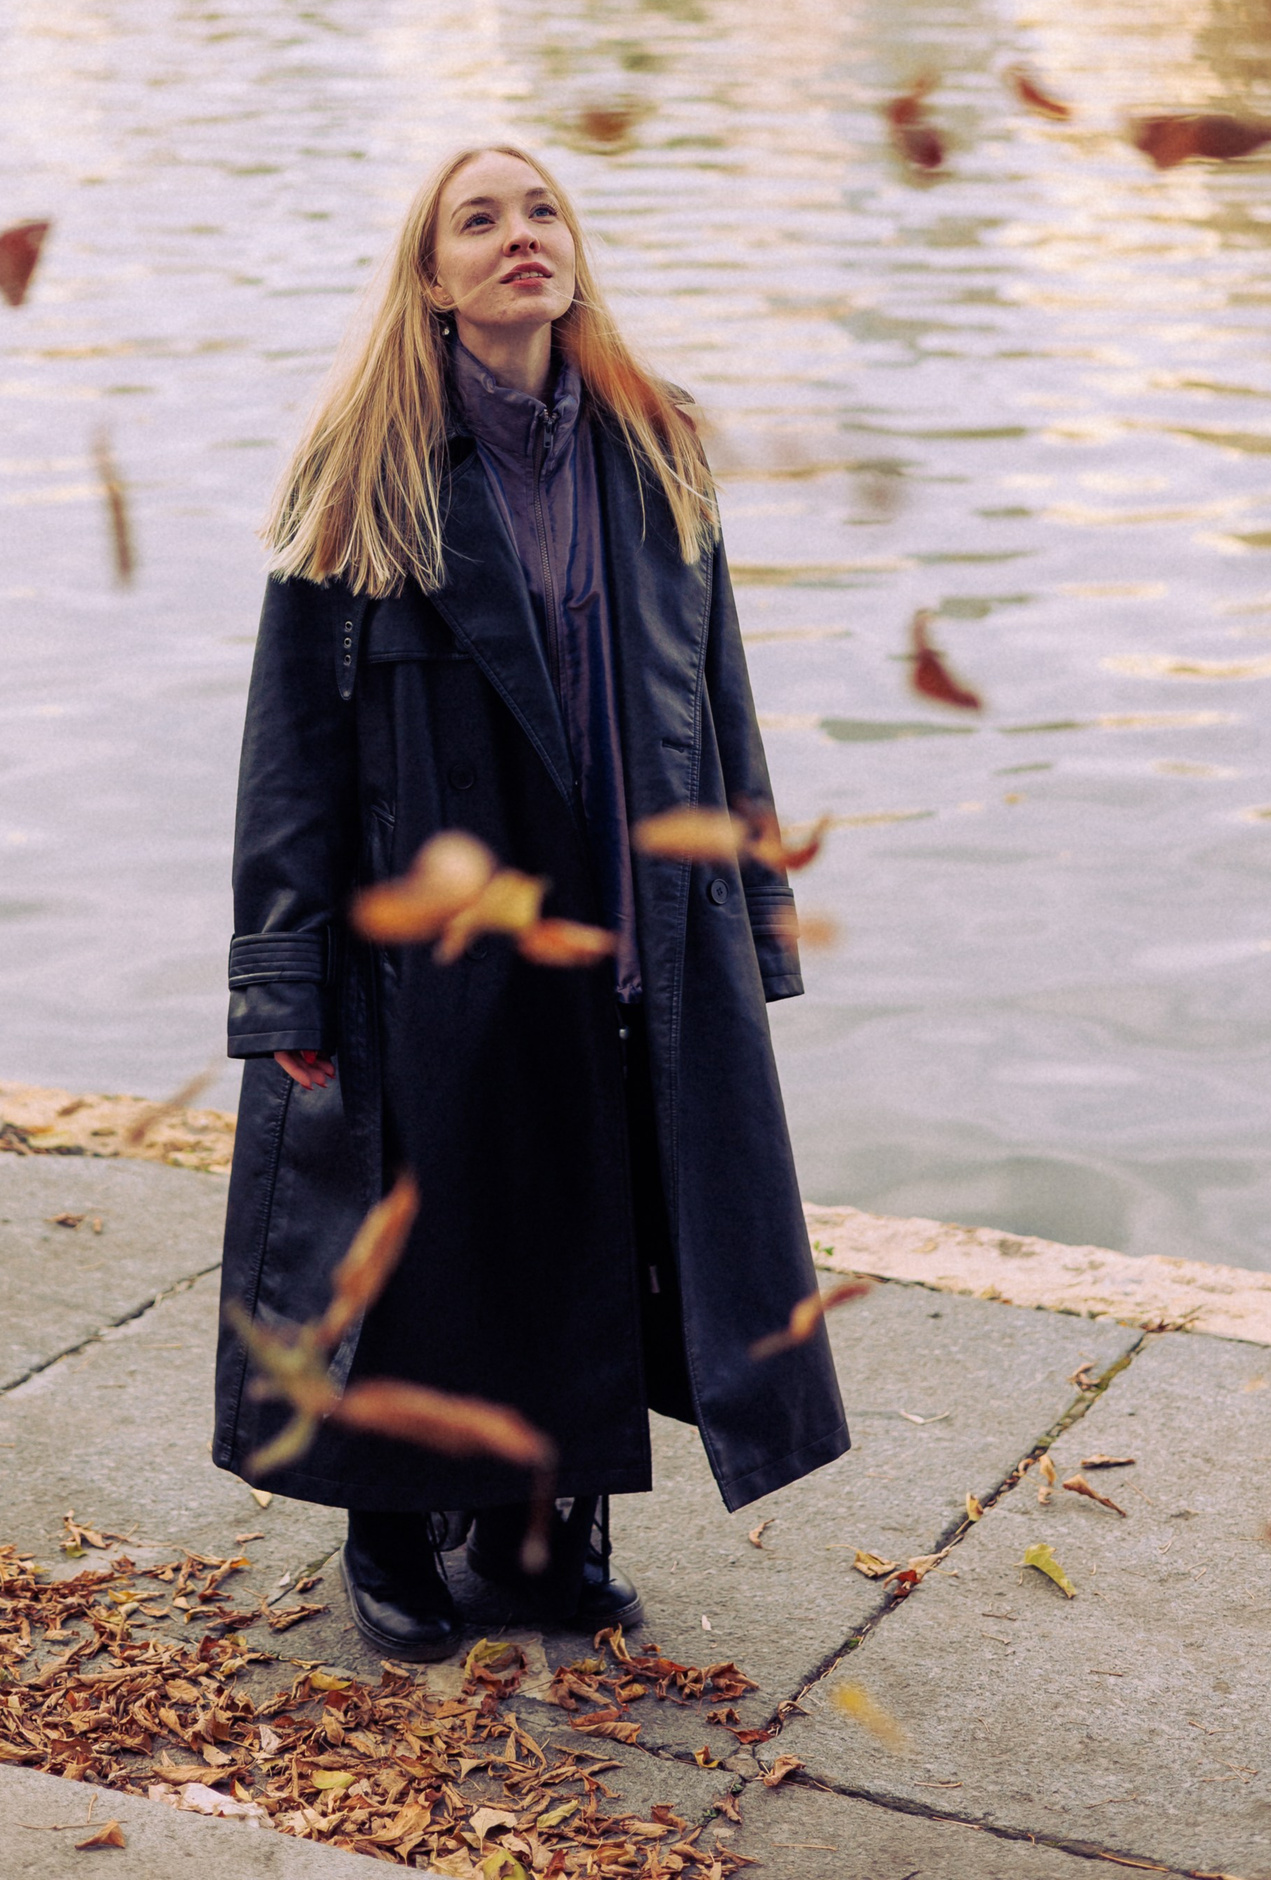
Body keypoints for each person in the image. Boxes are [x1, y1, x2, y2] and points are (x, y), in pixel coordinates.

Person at [212, 144, 847, 1659]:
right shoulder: (360, 468)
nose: (519, 237)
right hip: (431, 934)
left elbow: (714, 688)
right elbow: (289, 749)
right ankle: (389, 1532)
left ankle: (537, 1535)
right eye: (478, 220)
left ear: (574, 253)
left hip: (630, 911)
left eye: (542, 210)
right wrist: (284, 976)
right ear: (432, 280)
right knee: (423, 1239)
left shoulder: (657, 444)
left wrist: (754, 912)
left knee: (592, 1215)